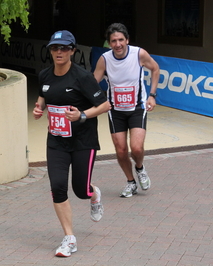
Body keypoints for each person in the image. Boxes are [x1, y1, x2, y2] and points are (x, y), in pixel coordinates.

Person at [33, 30, 111, 257]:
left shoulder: (82, 77)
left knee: (80, 190)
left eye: (64, 48)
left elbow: (105, 105)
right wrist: (39, 108)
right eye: (55, 48)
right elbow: (43, 96)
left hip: (82, 142)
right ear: (50, 50)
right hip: (56, 141)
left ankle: (94, 194)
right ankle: (69, 238)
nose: (59, 52)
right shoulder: (45, 75)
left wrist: (83, 115)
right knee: (57, 187)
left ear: (72, 51)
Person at [93, 23, 160, 198]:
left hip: (137, 108)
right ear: (109, 43)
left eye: (121, 40)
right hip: (115, 111)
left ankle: (140, 168)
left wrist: (152, 95)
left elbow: (155, 69)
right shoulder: (105, 59)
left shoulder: (139, 54)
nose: (118, 44)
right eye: (113, 41)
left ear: (127, 40)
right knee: (121, 150)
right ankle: (131, 182)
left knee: (136, 148)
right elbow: (92, 83)